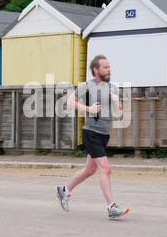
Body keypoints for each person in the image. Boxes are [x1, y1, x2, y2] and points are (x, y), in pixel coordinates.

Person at [56, 54, 130, 219]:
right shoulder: (87, 86)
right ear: (96, 70)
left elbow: (118, 112)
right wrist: (88, 109)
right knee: (106, 168)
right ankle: (111, 206)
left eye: (109, 67)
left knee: (90, 170)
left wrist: (117, 101)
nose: (109, 70)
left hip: (104, 134)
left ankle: (65, 191)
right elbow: (69, 102)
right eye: (105, 67)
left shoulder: (113, 87)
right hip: (91, 132)